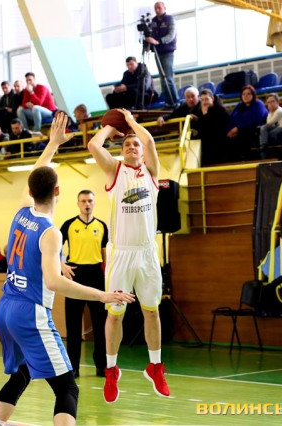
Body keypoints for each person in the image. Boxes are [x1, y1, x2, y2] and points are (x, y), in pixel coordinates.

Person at [0, 112, 134, 426]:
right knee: (68, 388)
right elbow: (54, 282)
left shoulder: (21, 212)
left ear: (31, 191)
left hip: (5, 307)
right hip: (30, 313)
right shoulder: (50, 232)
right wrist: (102, 295)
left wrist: (53, 144)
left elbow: (36, 174)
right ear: (58, 192)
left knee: (21, 375)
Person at [87, 108, 170, 403]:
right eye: (127, 144)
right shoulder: (115, 171)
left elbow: (150, 142)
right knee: (115, 315)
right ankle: (111, 370)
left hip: (147, 253)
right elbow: (93, 145)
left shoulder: (151, 172)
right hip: (121, 254)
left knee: (152, 311)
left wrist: (132, 123)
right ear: (121, 151)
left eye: (135, 144)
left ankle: (155, 366)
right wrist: (113, 127)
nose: (132, 147)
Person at [60, 190, 109, 379]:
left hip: (96, 275)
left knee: (100, 325)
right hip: (75, 275)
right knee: (73, 326)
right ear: (78, 203)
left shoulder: (102, 226)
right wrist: (61, 265)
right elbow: (53, 247)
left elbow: (106, 254)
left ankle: (102, 366)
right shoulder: (69, 225)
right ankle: (73, 367)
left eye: (90, 201)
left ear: (94, 203)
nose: (87, 204)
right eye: (83, 201)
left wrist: (108, 276)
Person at [145, 2, 179, 108]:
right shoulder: (153, 21)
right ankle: (168, 103)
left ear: (164, 8)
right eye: (155, 8)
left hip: (168, 52)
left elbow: (171, 35)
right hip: (157, 52)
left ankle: (175, 101)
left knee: (167, 78)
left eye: (159, 7)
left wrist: (158, 41)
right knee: (162, 79)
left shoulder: (170, 19)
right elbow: (151, 35)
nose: (157, 10)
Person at [226, 85, 268, 162]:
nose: (245, 96)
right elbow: (231, 119)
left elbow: (254, 120)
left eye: (248, 94)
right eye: (243, 94)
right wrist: (230, 130)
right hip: (237, 132)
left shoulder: (258, 104)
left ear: (253, 95)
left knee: (242, 137)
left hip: (253, 131)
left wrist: (237, 129)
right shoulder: (239, 106)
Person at [192, 88, 230, 166]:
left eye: (206, 99)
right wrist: (197, 119)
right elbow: (202, 128)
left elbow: (213, 129)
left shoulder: (221, 110)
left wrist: (205, 114)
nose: (204, 102)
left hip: (220, 142)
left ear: (212, 98)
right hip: (207, 143)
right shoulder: (200, 110)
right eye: (202, 100)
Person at [259, 93, 282, 160]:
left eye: (272, 101)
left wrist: (263, 133)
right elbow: (268, 126)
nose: (270, 104)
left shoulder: (279, 111)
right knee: (263, 129)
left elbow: (270, 123)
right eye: (268, 102)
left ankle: (264, 148)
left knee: (265, 134)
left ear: (277, 102)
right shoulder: (270, 113)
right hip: (276, 128)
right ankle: (263, 146)